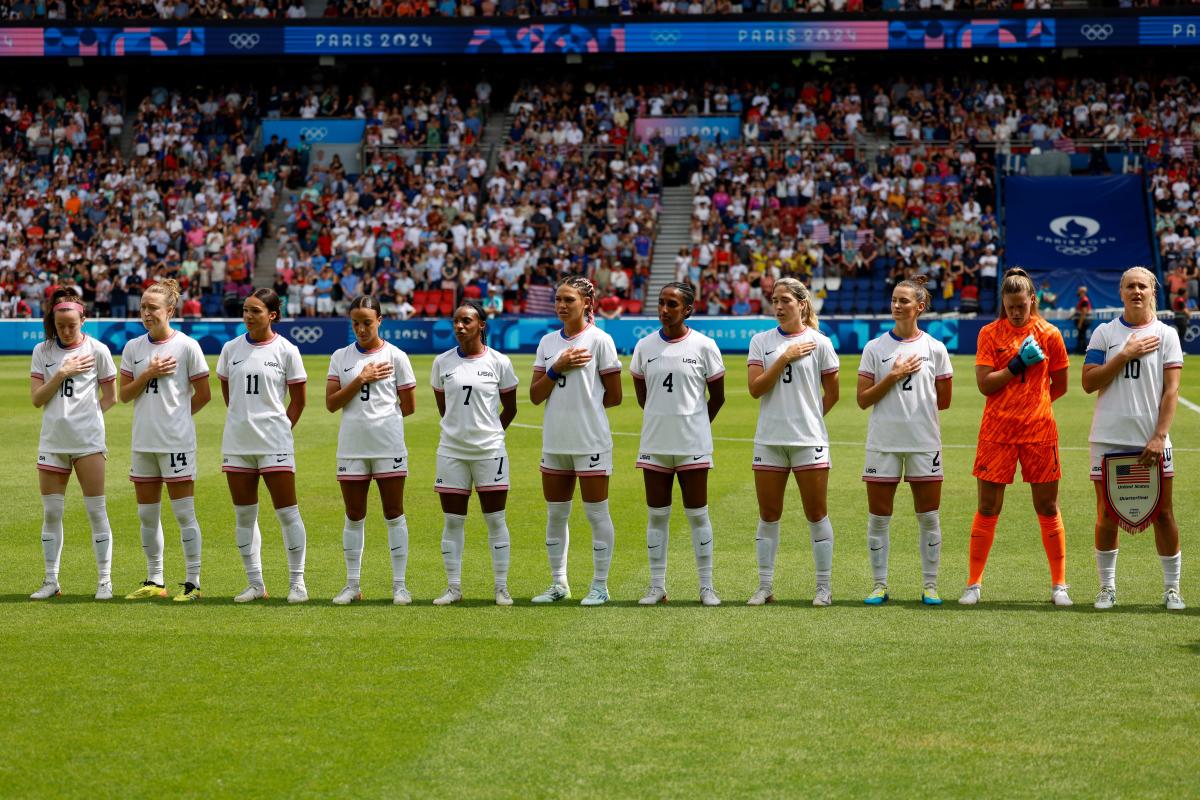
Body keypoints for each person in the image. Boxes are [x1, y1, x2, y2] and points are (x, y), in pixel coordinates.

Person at [962, 268, 1071, 606]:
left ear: (1032, 300)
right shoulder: (989, 333)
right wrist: (1014, 365)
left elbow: (1062, 385)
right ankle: (973, 584)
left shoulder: (1050, 334)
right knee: (988, 506)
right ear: (1003, 304)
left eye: (1021, 306)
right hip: (997, 431)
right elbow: (985, 385)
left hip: (1039, 430)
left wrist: (1034, 406)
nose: (1015, 313)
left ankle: (1059, 585)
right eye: (1010, 307)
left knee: (1047, 505)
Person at [1082, 267, 1185, 610]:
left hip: (1150, 441)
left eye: (1142, 286)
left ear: (1152, 291)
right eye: (1130, 286)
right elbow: (1089, 381)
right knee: (1106, 515)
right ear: (1121, 292)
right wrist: (1125, 353)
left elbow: (1171, 392)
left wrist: (1160, 436)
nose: (1136, 291)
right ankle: (1106, 589)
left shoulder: (1166, 334)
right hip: (1108, 439)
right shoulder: (1104, 332)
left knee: (1164, 514)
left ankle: (1172, 589)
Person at [855, 276, 952, 605]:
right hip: (883, 442)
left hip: (924, 442)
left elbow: (945, 399)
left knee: (928, 517)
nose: (897, 305)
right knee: (879, 518)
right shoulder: (875, 348)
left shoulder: (935, 349)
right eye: (894, 299)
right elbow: (863, 399)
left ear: (919, 307)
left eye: (904, 301)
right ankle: (879, 585)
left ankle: (930, 586)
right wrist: (893, 376)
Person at [745, 278, 840, 607]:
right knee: (768, 514)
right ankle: (764, 586)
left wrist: (808, 420)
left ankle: (824, 588)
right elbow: (756, 389)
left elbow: (833, 394)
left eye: (786, 299)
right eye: (774, 300)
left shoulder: (820, 343)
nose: (779, 305)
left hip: (808, 441)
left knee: (816, 514)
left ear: (802, 303)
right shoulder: (761, 342)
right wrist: (784, 358)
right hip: (769, 440)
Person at [529, 276, 623, 606]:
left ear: (586, 303)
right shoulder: (547, 343)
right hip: (555, 441)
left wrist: (584, 407)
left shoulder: (600, 341)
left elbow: (614, 396)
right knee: (556, 515)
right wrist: (558, 367)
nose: (562, 305)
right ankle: (559, 584)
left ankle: (600, 585)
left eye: (569, 299)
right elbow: (535, 395)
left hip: (590, 440)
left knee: (596, 514)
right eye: (558, 299)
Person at [631, 282, 726, 606]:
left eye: (672, 304)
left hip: (692, 444)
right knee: (657, 516)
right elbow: (643, 395)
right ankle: (657, 587)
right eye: (661, 303)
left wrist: (695, 424)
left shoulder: (704, 346)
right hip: (655, 442)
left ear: (688, 310)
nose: (664, 309)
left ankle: (706, 587)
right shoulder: (644, 346)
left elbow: (718, 397)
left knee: (698, 515)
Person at [118, 279, 211, 602]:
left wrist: (179, 420)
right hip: (143, 442)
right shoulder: (133, 348)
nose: (146, 312)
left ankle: (193, 582)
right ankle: (155, 579)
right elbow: (124, 395)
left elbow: (204, 395)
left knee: (184, 513)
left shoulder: (187, 346)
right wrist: (147, 374)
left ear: (169, 310)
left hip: (175, 443)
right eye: (143, 307)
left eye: (153, 308)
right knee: (147, 514)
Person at [216, 288, 310, 603]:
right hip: (238, 442)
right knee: (244, 515)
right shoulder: (230, 349)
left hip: (274, 442)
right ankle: (256, 584)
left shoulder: (287, 350)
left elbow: (298, 402)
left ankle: (297, 584)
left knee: (288, 513)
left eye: (256, 311)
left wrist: (280, 429)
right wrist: (243, 421)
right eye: (246, 310)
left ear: (272, 315)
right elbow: (229, 394)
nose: (249, 316)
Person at [326, 296, 417, 605]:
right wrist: (360, 379)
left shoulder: (397, 356)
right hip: (351, 448)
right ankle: (352, 585)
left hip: (388, 445)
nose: (361, 328)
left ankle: (400, 586)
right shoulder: (341, 357)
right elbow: (331, 403)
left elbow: (409, 406)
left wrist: (380, 422)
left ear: (380, 320)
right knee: (354, 515)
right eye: (355, 323)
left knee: (394, 514)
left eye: (367, 322)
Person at [29, 289, 119, 600]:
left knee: (96, 511)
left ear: (83, 320)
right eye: (60, 325)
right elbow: (37, 399)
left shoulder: (99, 350)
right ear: (52, 322)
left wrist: (87, 417)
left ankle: (104, 581)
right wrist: (62, 372)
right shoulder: (43, 351)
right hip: (53, 442)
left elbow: (110, 397)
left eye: (72, 324)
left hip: (87, 442)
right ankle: (51, 580)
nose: (66, 331)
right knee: (52, 512)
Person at [430, 300, 519, 606]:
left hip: (490, 452)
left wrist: (491, 433)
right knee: (453, 521)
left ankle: (501, 588)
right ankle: (453, 588)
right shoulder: (442, 362)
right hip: (452, 451)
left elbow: (511, 407)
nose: (459, 326)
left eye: (466, 321)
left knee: (496, 520)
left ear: (481, 325)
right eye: (456, 321)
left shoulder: (499, 362)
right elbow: (445, 408)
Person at [1072, 286, 1092, 356]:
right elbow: (1078, 311)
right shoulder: (1082, 300)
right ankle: (1083, 351)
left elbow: (1084, 312)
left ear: (1082, 292)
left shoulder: (1084, 300)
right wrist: (1071, 317)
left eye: (1079, 291)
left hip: (1084, 321)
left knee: (1081, 336)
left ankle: (1081, 352)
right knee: (1081, 336)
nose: (1077, 292)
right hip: (1083, 321)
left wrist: (1080, 323)